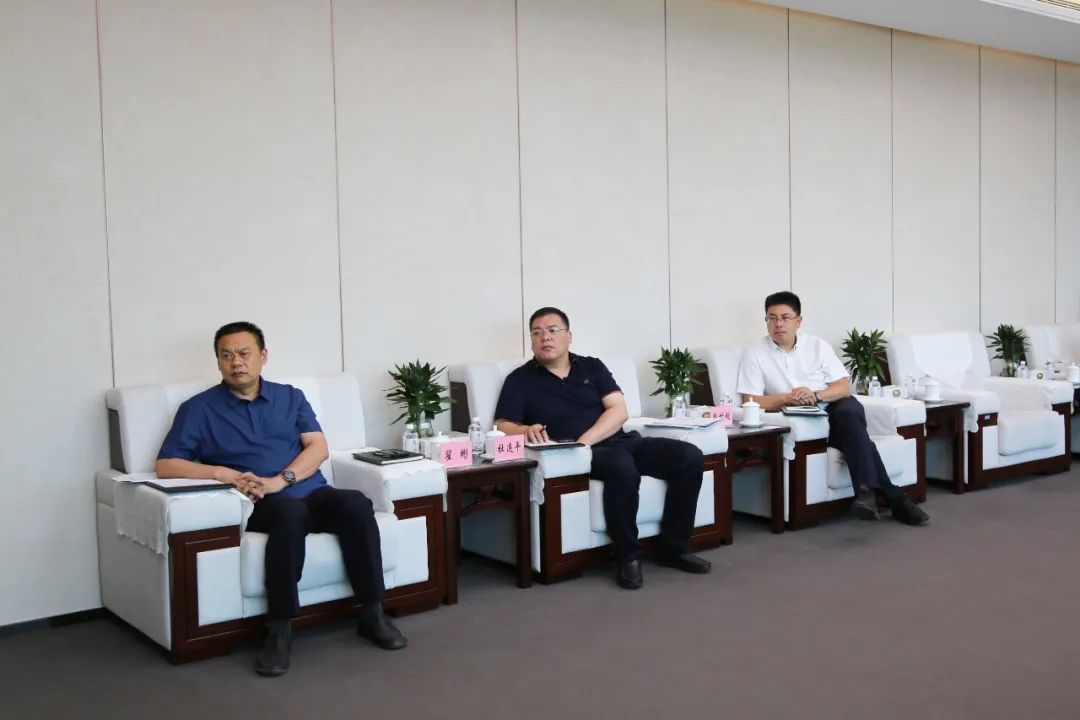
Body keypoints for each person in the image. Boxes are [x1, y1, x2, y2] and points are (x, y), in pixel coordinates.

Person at [155, 321, 406, 677]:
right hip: (256, 503)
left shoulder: (290, 397)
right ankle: (279, 628)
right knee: (290, 513)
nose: (236, 362)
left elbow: (318, 447)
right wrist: (222, 473)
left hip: (307, 490)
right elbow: (166, 465)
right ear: (218, 362)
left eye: (244, 353)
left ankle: (373, 613)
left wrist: (281, 480)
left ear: (263, 356)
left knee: (355, 504)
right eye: (227, 355)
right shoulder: (198, 408)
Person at [494, 307, 712, 590]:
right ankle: (627, 556)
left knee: (688, 456)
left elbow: (618, 410)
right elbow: (501, 424)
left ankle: (675, 547)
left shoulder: (592, 366)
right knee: (621, 466)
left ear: (569, 336)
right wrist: (525, 430)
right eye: (537, 332)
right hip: (575, 456)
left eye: (553, 330)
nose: (545, 337)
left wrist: (584, 441)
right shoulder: (520, 379)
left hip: (616, 441)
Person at [736, 291, 929, 526]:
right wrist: (788, 397)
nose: (778, 324)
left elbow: (843, 387)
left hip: (833, 407)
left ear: (799, 321)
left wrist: (816, 395)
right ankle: (889, 497)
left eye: (785, 318)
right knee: (859, 439)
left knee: (848, 412)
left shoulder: (817, 346)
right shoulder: (755, 353)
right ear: (766, 320)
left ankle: (869, 492)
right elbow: (751, 400)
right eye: (772, 318)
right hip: (801, 418)